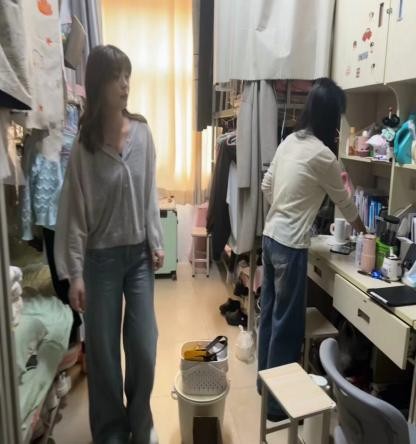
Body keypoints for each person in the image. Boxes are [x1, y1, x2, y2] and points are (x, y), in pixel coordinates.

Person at [54, 45, 164, 444]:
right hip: (99, 260)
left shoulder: (143, 133)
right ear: (98, 84)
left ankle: (141, 423)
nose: (124, 84)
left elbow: (149, 192)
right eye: (116, 77)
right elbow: (73, 214)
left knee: (144, 346)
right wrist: (75, 274)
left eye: (127, 75)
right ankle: (111, 432)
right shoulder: (84, 147)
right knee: (102, 355)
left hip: (138, 259)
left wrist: (155, 239)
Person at [258, 77, 366, 421]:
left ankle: (264, 386)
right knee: (287, 327)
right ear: (331, 116)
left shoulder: (290, 141)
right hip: (290, 246)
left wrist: (284, 209)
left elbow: (266, 186)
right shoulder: (324, 156)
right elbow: (345, 205)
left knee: (269, 317)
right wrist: (366, 234)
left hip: (270, 237)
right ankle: (276, 406)